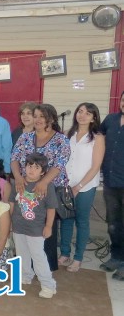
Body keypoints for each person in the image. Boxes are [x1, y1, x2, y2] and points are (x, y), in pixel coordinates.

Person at [11, 103, 71, 271]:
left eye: (41, 116)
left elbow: (59, 164)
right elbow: (14, 158)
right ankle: (26, 267)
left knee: (45, 228)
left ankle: (46, 268)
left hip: (49, 189)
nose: (37, 120)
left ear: (50, 119)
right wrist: (17, 177)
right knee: (25, 226)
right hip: (25, 189)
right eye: (35, 116)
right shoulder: (25, 137)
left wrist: (43, 182)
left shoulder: (61, 139)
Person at [59, 103, 104, 272]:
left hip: (85, 187)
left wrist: (79, 186)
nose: (82, 115)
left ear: (94, 117)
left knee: (82, 221)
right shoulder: (67, 135)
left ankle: (78, 258)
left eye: (87, 113)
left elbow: (95, 166)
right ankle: (64, 253)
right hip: (66, 185)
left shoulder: (97, 138)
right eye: (80, 111)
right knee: (66, 220)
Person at [10, 153, 58, 298]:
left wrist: (48, 226)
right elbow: (12, 203)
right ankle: (26, 275)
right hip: (18, 226)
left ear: (43, 172)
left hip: (36, 228)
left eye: (36, 167)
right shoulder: (18, 183)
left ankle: (48, 284)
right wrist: (10, 222)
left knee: (38, 256)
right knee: (21, 253)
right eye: (29, 166)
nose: (32, 170)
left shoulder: (47, 186)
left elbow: (51, 208)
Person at [99, 91, 124, 280]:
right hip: (110, 182)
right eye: (123, 100)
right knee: (114, 224)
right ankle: (116, 257)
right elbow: (96, 139)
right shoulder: (110, 120)